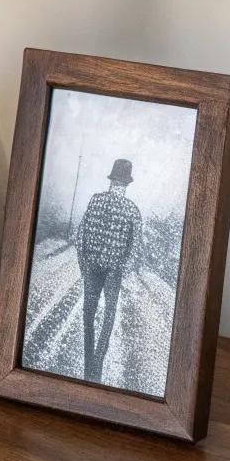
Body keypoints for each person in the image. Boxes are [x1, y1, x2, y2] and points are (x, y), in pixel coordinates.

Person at [76, 158, 142, 383]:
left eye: (119, 183)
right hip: (112, 269)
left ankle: (90, 363)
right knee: (108, 312)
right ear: (124, 183)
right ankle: (97, 363)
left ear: (112, 180)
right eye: (121, 183)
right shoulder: (132, 211)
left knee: (89, 310)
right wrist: (123, 267)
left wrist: (83, 265)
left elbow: (80, 237)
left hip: (95, 266)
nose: (119, 186)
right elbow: (135, 249)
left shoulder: (95, 201)